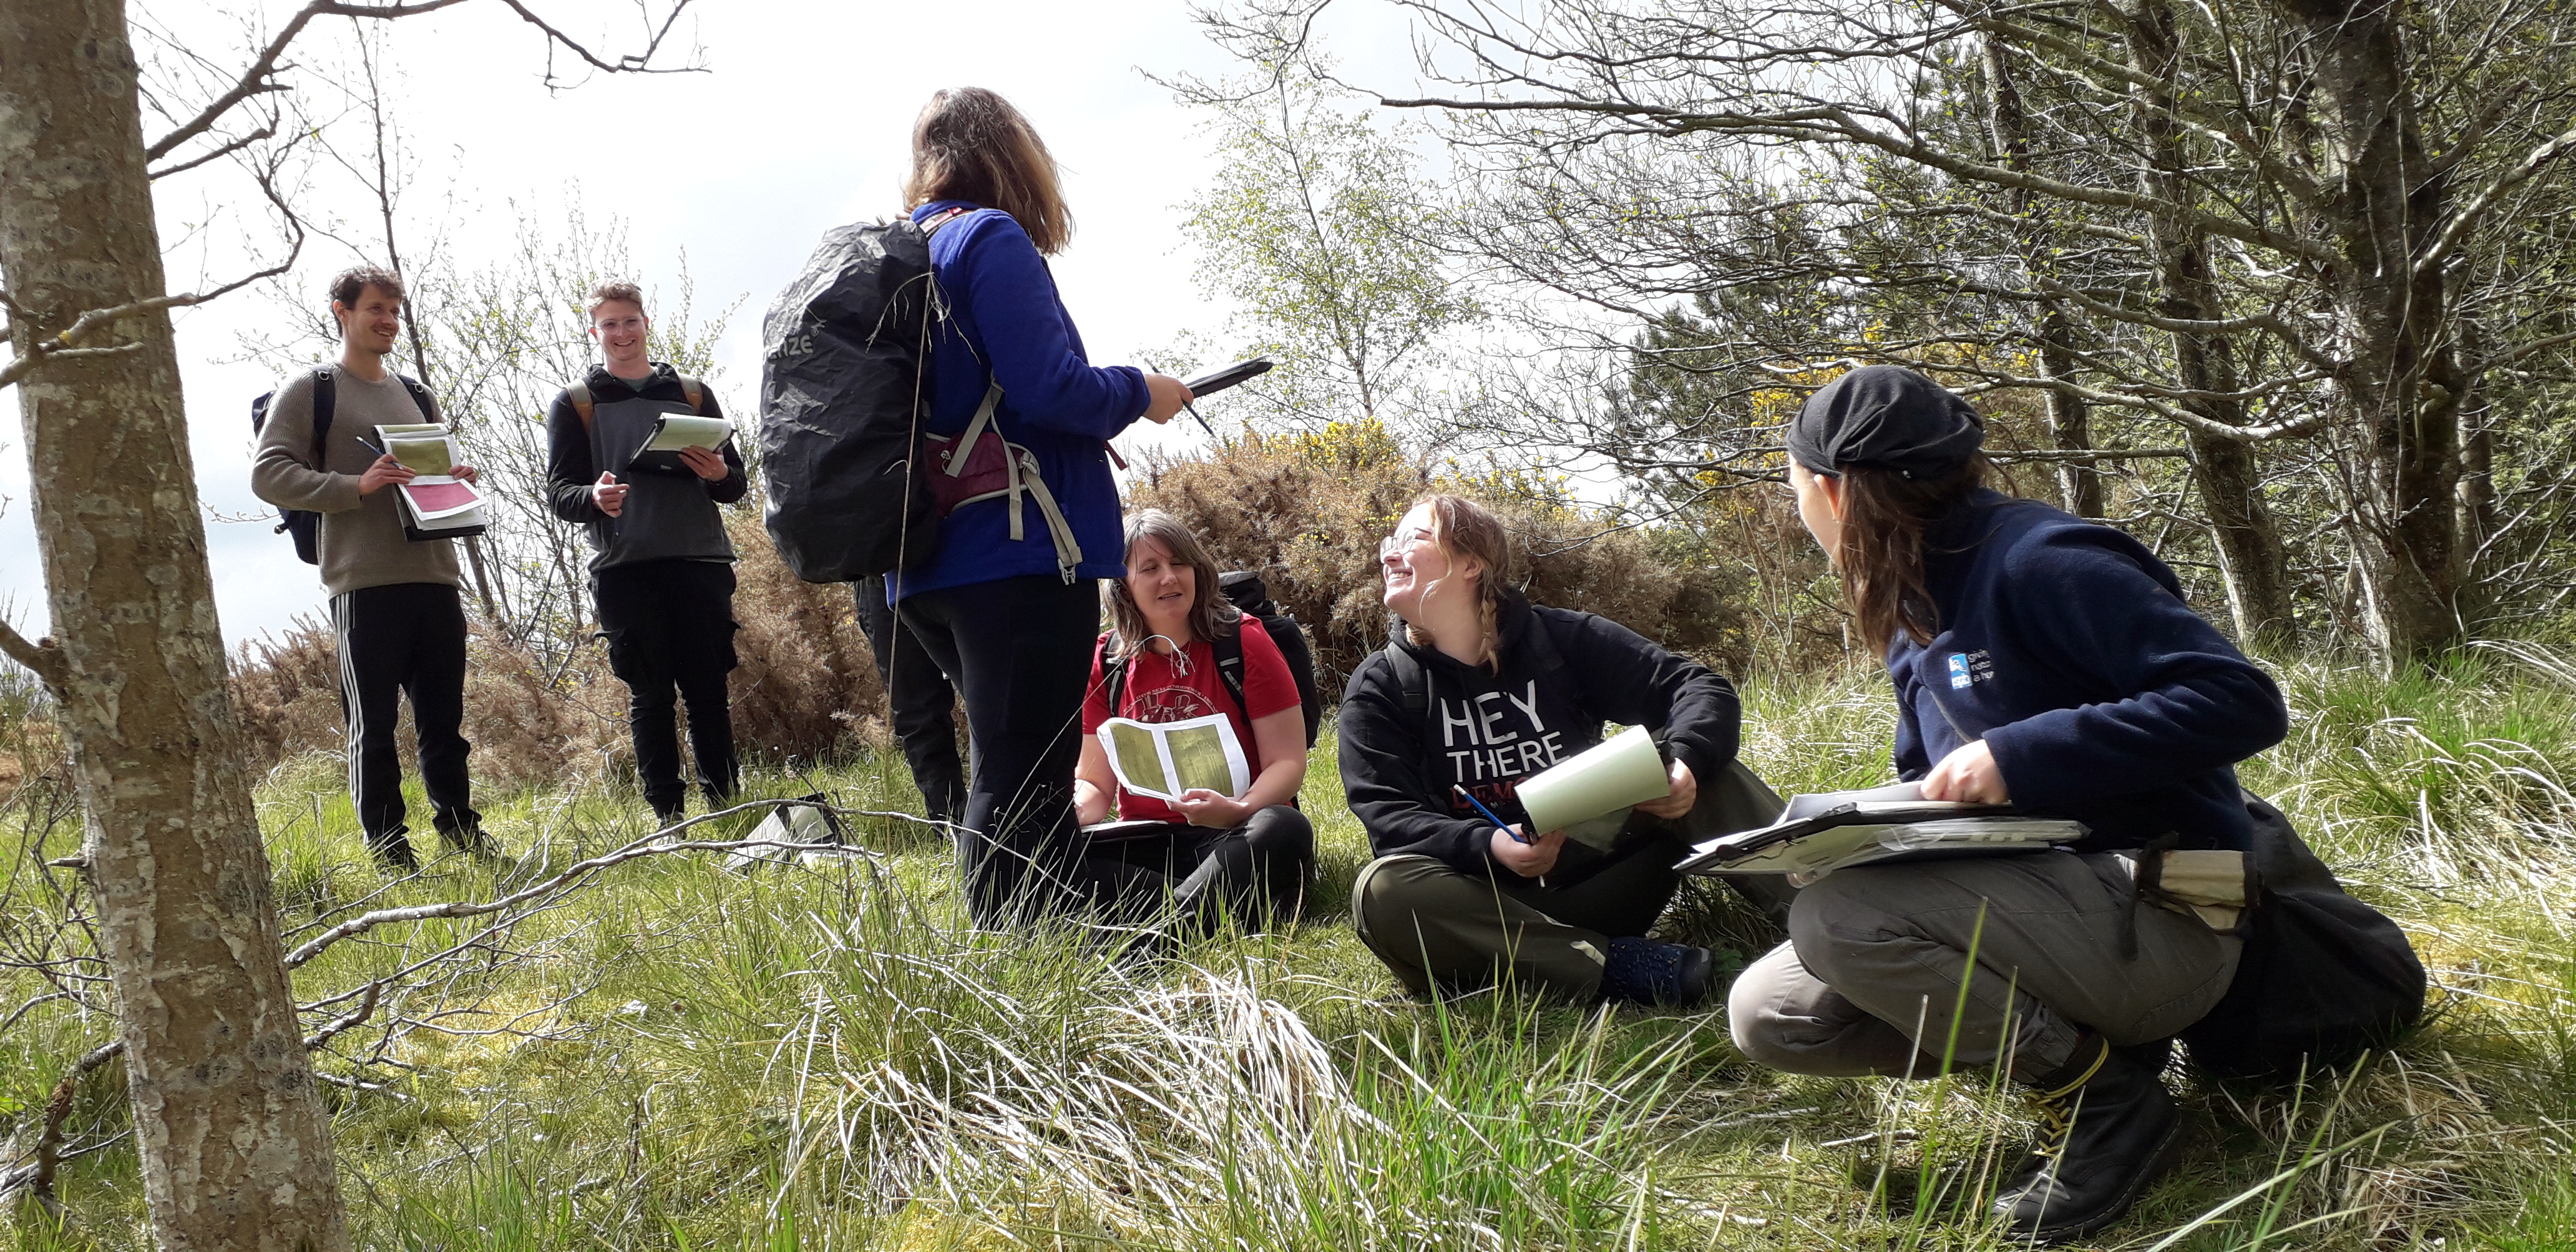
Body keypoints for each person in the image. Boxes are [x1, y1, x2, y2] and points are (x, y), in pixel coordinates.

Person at [1725, 365, 2290, 1241]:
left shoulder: (2043, 560)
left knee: (1843, 921)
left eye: (1794, 482)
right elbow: (1939, 778)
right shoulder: (1915, 592)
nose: (1798, 505)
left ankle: (2105, 1106)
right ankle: (2094, 1058)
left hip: (2179, 903)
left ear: (1832, 490)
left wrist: (2018, 753)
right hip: (2062, 904)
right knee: (1774, 1013)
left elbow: (2242, 700)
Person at [888, 87, 1194, 925]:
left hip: (920, 562)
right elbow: (1051, 390)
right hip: (1013, 552)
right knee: (1020, 771)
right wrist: (1143, 389)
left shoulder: (905, 250)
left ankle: (1068, 937)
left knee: (1014, 759)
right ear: (1013, 155)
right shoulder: (988, 237)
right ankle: (1014, 964)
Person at [1340, 494, 1789, 1007]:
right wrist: (1490, 845)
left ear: (1472, 564)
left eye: (1413, 540)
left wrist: (1685, 762)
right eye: (1388, 545)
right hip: (1493, 909)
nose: (1389, 557)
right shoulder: (1379, 686)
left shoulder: (1560, 639)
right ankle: (1615, 967)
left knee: (1695, 763)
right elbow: (1387, 815)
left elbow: (1699, 688)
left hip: (1600, 873)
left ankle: (1834, 914)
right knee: (1382, 889)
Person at [251, 265, 497, 873]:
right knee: (376, 726)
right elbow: (268, 472)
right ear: (342, 311)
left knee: (445, 722)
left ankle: (461, 831)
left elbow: (428, 475)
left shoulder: (417, 395)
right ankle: (390, 851)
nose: (388, 320)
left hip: (437, 576)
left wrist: (454, 478)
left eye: (395, 310)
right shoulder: (312, 390)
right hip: (363, 581)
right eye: (375, 309)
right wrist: (355, 485)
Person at [544, 280, 748, 825]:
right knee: (650, 697)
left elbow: (736, 485)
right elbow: (560, 493)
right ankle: (668, 820)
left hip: (700, 562)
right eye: (609, 324)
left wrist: (721, 473)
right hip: (624, 571)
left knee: (708, 692)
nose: (621, 332)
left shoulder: (694, 394)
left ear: (645, 324)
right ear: (595, 332)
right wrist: (594, 497)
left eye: (629, 321)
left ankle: (725, 810)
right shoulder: (576, 404)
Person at [1074, 511, 1315, 931]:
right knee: (1055, 853)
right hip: (1149, 843)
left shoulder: (1244, 641)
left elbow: (1288, 764)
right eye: (1150, 568)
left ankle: (1156, 934)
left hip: (1237, 832)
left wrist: (1237, 808)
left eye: (1179, 563)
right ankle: (1207, 911)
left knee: (1284, 827)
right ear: (1123, 586)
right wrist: (1068, 814)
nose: (1169, 578)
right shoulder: (1104, 663)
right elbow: (1096, 786)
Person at [852, 574, 967, 826]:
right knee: (917, 713)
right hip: (879, 572)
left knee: (998, 698)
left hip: (964, 559)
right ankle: (954, 827)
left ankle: (1022, 817)